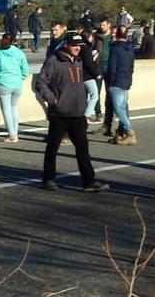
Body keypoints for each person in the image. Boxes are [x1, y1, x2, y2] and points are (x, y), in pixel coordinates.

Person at [32, 34, 105, 193]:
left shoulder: (79, 61)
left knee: (83, 149)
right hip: (60, 113)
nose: (78, 48)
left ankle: (89, 181)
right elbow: (41, 83)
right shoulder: (54, 61)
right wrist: (52, 99)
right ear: (66, 45)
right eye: (74, 45)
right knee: (53, 147)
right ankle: (49, 178)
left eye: (80, 45)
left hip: (78, 113)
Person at [0, 34, 31, 144]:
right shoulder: (19, 53)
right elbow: (25, 70)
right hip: (17, 83)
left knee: (6, 110)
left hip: (4, 83)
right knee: (14, 108)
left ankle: (12, 135)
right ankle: (15, 132)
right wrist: (20, 78)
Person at [102, 27, 137, 145]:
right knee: (123, 106)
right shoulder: (130, 49)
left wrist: (109, 80)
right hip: (126, 81)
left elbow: (112, 67)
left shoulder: (116, 49)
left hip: (116, 81)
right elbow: (131, 67)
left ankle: (129, 131)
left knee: (119, 109)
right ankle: (121, 133)